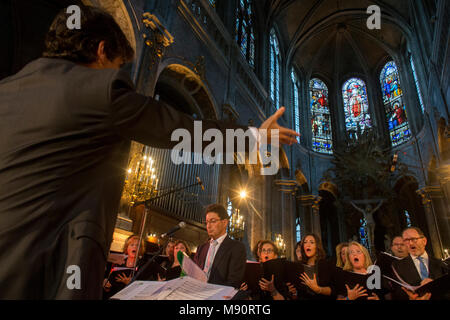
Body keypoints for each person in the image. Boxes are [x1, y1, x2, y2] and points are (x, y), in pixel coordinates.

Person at [0, 5, 299, 299]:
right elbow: (179, 130)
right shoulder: (99, 89)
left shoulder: (8, 88)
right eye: (118, 64)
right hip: (49, 270)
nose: (118, 73)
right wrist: (254, 136)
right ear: (101, 50)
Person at [193, 204, 247, 289]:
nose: (208, 226)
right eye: (207, 222)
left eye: (213, 221)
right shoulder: (201, 248)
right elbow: (194, 274)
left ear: (224, 222)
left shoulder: (237, 248)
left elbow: (233, 282)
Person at [391, 227, 449, 300]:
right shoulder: (397, 267)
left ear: (424, 241)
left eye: (414, 239)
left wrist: (435, 286)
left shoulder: (440, 264)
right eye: (406, 240)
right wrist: (410, 298)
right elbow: (397, 294)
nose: (410, 243)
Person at [103, 234, 145, 299]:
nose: (135, 247)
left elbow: (143, 288)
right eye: (132, 245)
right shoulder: (118, 263)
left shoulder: (143, 265)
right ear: (127, 248)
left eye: (137, 246)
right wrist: (107, 286)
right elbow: (110, 285)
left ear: (141, 249)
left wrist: (130, 283)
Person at [297, 233, 335, 299]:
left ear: (317, 246)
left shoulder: (326, 265)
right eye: (305, 242)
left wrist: (318, 289)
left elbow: (333, 290)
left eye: (311, 242)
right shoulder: (299, 266)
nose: (308, 245)